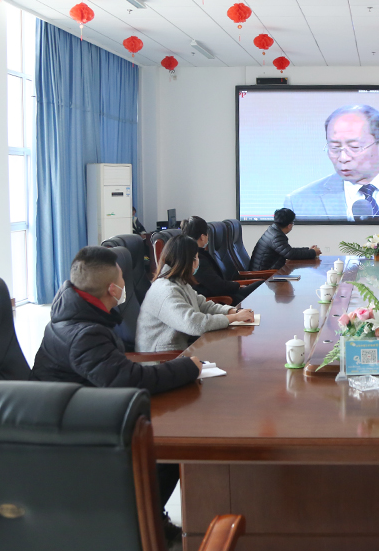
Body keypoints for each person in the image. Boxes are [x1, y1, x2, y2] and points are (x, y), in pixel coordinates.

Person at [30, 245, 202, 546]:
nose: (127, 284)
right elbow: (126, 379)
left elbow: (115, 372)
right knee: (168, 450)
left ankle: (146, 517)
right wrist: (187, 368)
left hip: (77, 404)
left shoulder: (76, 313)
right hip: (68, 426)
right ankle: (143, 525)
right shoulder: (84, 333)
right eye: (123, 278)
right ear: (112, 288)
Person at [136, 236, 256, 352]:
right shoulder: (167, 290)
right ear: (190, 261)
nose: (198, 261)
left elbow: (205, 306)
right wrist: (233, 318)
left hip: (179, 349)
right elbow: (194, 324)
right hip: (162, 359)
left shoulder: (180, 283)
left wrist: (234, 312)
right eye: (197, 257)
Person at [181, 216, 262, 305]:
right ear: (202, 237)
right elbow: (218, 286)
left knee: (260, 285)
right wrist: (238, 286)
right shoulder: (197, 259)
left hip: (225, 293)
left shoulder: (194, 254)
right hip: (221, 299)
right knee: (260, 287)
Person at [249, 208, 321, 271]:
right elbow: (290, 254)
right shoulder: (276, 236)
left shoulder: (273, 230)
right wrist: (313, 252)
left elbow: (288, 251)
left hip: (266, 272)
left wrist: (309, 250)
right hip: (263, 276)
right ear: (289, 225)